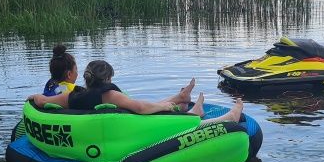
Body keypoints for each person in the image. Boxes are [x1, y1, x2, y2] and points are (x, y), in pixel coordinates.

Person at [28, 59, 244, 124]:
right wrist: (165, 106)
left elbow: (41, 100)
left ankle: (181, 97)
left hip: (114, 124)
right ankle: (199, 115)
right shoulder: (109, 95)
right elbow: (140, 108)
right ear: (108, 79)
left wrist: (32, 99)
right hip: (132, 129)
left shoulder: (73, 96)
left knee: (151, 105)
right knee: (156, 110)